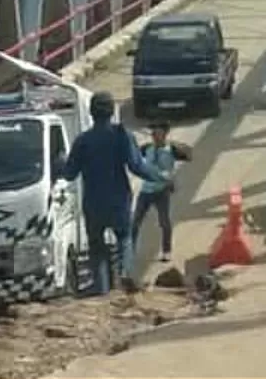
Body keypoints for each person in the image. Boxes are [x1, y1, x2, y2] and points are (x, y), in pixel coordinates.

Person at [55, 91, 171, 295]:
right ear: (111, 112)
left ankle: (102, 291)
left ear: (92, 113)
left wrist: (60, 162)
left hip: (93, 203)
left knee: (97, 249)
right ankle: (125, 274)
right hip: (119, 200)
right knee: (124, 238)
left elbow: (70, 174)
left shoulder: (83, 141)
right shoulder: (121, 135)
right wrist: (161, 178)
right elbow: (137, 166)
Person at [133, 122, 192, 263]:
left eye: (157, 133)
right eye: (153, 134)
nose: (155, 137)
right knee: (135, 221)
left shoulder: (171, 149)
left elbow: (189, 155)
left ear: (165, 134)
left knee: (164, 221)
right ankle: (130, 249)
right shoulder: (147, 148)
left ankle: (167, 251)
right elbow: (133, 156)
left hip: (161, 190)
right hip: (146, 190)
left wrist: (176, 146)